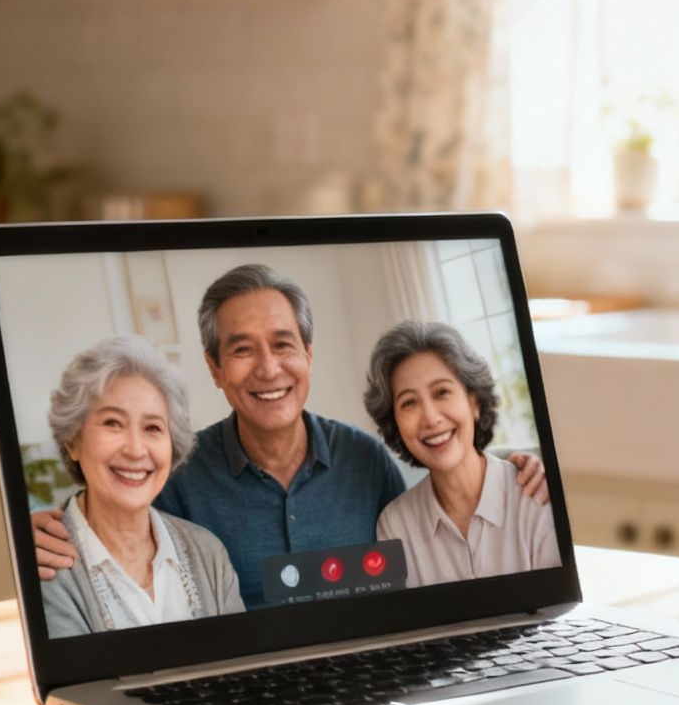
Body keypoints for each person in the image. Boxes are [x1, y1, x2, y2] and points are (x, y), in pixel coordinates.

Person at [31, 264, 547, 607]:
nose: (268, 369)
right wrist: (54, 528)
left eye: (283, 344)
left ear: (309, 355)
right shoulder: (180, 473)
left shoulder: (364, 460)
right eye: (242, 350)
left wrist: (509, 464)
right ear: (214, 368)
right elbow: (117, 522)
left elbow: (428, 511)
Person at [38, 335, 245, 637]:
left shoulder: (208, 552)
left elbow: (238, 663)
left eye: (153, 428)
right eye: (112, 423)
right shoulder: (44, 563)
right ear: (72, 441)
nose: (136, 450)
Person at [362, 321, 560, 586]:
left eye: (442, 392)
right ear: (394, 423)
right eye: (409, 402)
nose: (431, 418)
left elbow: (558, 613)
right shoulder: (396, 526)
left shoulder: (536, 494)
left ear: (474, 402)